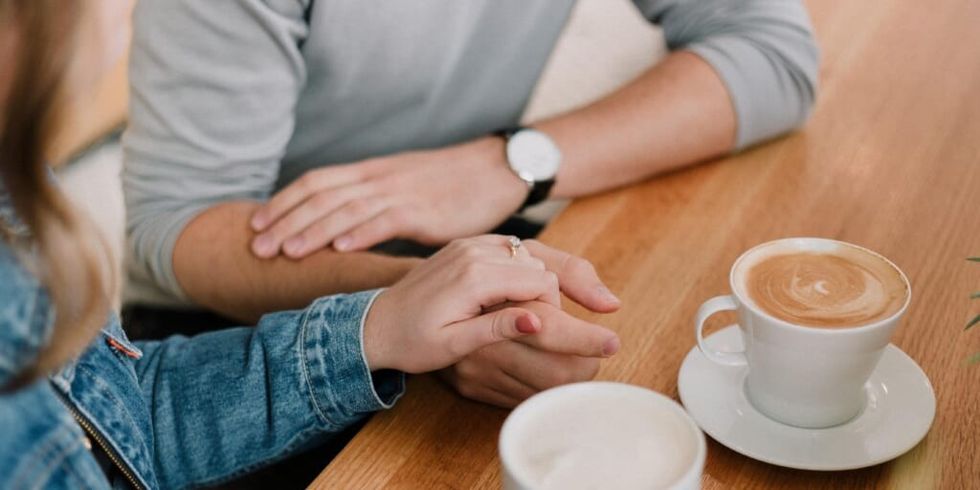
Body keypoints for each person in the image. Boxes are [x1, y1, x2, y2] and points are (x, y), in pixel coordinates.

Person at [0, 1, 620, 487]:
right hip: (206, 312)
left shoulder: (17, 194)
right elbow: (176, 224)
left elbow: (121, 423)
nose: (127, 15)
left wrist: (377, 325)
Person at [122, 0, 819, 406]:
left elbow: (773, 55)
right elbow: (176, 223)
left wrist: (512, 161)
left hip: (448, 250)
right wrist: (415, 307)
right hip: (228, 314)